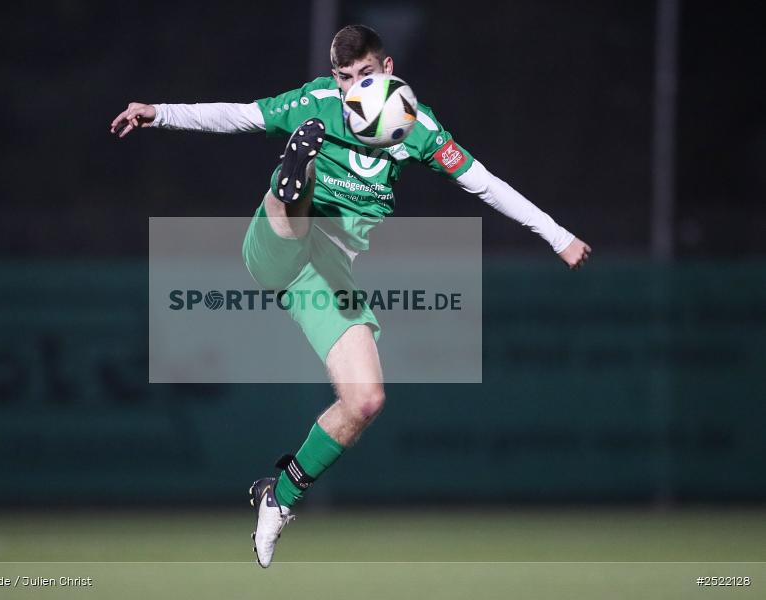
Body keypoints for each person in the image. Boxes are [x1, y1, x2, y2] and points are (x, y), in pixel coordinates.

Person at [110, 24, 591, 568]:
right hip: (279, 245)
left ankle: (280, 495)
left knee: (366, 400)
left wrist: (558, 235)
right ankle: (294, 176)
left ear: (388, 71)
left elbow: (485, 182)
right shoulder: (318, 101)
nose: (351, 90)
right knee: (295, 197)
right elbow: (241, 113)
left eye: (363, 76)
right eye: (343, 79)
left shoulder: (416, 127)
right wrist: (162, 112)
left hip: (329, 276)